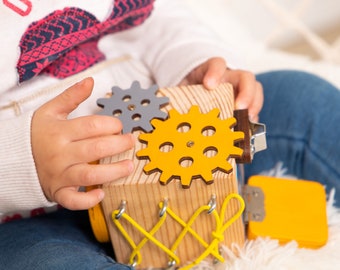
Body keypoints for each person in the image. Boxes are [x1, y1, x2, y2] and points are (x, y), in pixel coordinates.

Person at [0, 0, 339, 269]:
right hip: (30, 219)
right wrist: (22, 160)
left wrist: (191, 63)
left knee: (304, 100)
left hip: (186, 141)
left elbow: (155, 14)